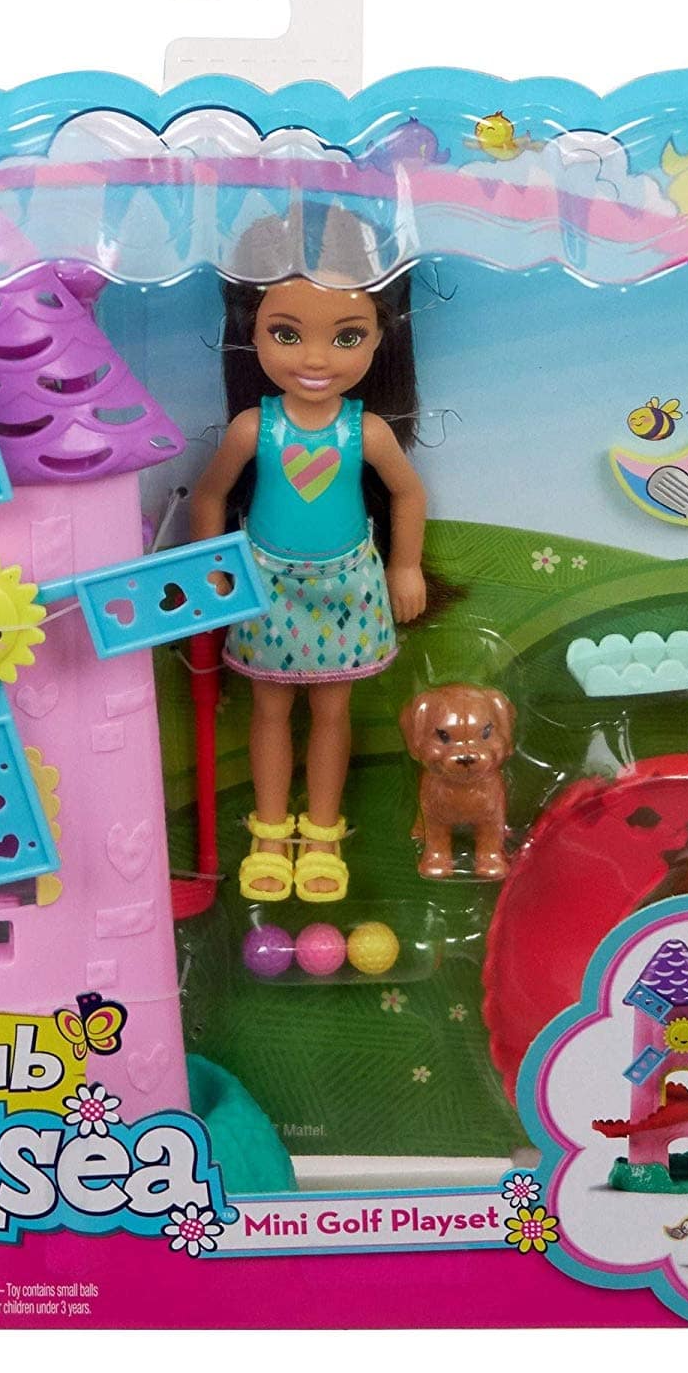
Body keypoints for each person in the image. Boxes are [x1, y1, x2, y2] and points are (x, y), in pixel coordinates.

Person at [190, 207, 427, 904]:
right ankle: (269, 834)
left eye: (346, 336)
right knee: (268, 711)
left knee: (332, 712)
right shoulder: (252, 427)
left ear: (380, 336)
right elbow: (210, 496)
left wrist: (404, 565)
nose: (315, 359)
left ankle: (322, 834)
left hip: (347, 584)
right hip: (267, 583)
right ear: (253, 332)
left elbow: (408, 494)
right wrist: (213, 568)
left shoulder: (367, 431)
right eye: (286, 334)